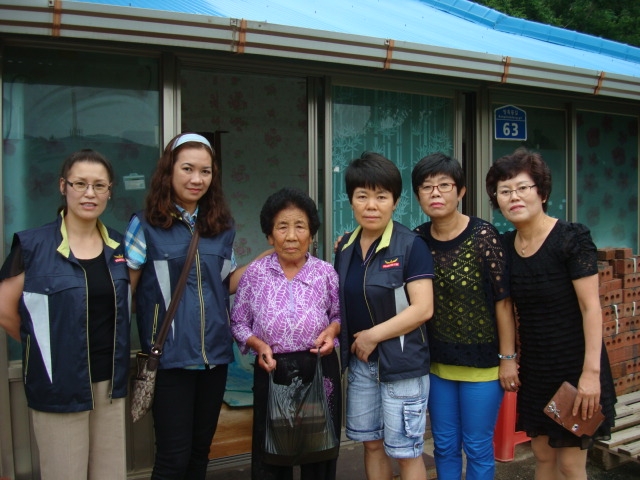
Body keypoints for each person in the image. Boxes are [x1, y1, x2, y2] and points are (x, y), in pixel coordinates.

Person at [485, 147, 616, 480]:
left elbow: (591, 308)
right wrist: (508, 358)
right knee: (542, 455)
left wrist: (590, 375)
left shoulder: (571, 239)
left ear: (541, 193)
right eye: (504, 191)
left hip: (575, 366)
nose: (514, 197)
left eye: (522, 187)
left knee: (570, 464)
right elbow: (506, 306)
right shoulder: (505, 246)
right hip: (537, 368)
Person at [0, 149, 130, 480]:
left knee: (110, 474)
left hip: (109, 385)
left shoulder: (118, 246)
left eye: (99, 185)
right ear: (63, 186)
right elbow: (5, 310)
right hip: (59, 385)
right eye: (80, 183)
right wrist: (43, 347)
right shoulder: (33, 245)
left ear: (109, 191)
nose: (90, 193)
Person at [125, 132, 243, 479]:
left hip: (215, 357)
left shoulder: (221, 227)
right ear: (169, 171)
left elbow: (224, 284)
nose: (197, 179)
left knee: (199, 453)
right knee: (172, 458)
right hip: (170, 359)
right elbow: (126, 293)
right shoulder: (145, 225)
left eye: (205, 171)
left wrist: (272, 257)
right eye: (187, 169)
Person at [411, 153, 518, 480]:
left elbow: (503, 302)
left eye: (444, 185)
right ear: (418, 195)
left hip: (483, 366)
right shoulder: (416, 240)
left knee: (477, 446)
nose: (435, 193)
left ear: (461, 192)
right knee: (443, 445)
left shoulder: (484, 236)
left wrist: (508, 359)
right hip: (436, 366)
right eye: (426, 187)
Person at [334, 152, 434, 480]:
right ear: (351, 200)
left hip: (402, 367)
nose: (371, 205)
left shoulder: (410, 246)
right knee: (372, 445)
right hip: (362, 366)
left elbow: (423, 308)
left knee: (405, 452)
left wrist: (372, 336)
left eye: (381, 196)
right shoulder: (345, 248)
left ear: (395, 202)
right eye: (362, 196)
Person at [231, 187, 341, 480]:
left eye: (300, 226)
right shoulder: (255, 274)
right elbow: (238, 323)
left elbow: (339, 316)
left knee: (318, 453)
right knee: (271, 456)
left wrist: (332, 331)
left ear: (311, 234)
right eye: (282, 227)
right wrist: (258, 344)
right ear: (270, 236)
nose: (291, 236)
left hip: (319, 367)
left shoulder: (325, 273)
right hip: (272, 369)